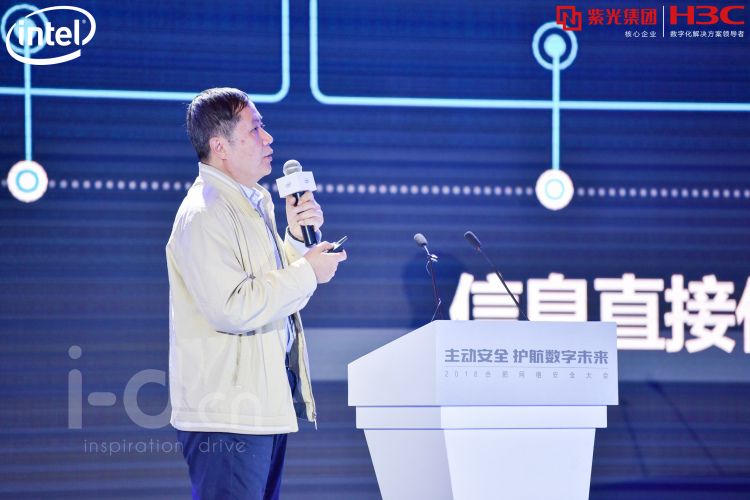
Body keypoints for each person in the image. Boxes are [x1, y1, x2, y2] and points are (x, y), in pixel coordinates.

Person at [166, 87, 346, 499]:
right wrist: (307, 271)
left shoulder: (250, 203)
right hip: (228, 416)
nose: (268, 138)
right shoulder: (206, 212)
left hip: (260, 407)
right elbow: (232, 307)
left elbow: (270, 289)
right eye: (255, 129)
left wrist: (297, 241)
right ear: (220, 147)